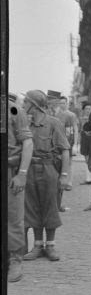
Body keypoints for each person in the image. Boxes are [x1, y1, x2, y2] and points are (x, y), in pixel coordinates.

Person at [22, 90, 71, 262]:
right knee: (33, 206)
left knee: (50, 206)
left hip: (49, 168)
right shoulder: (26, 124)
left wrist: (64, 175)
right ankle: (37, 246)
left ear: (34, 105)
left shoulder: (53, 123)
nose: (23, 104)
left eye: (26, 102)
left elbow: (65, 150)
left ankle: (50, 246)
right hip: (30, 169)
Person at [7, 92, 33, 282]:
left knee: (13, 216)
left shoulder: (14, 109)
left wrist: (22, 174)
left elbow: (28, 143)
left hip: (9, 171)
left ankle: (15, 260)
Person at [55, 96, 79, 191]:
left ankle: (69, 182)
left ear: (67, 103)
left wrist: (76, 144)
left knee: (69, 162)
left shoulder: (71, 115)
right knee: (58, 160)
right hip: (57, 140)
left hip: (68, 140)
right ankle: (59, 180)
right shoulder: (56, 114)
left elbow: (75, 129)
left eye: (63, 103)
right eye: (60, 103)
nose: (62, 105)